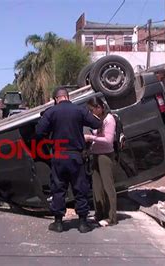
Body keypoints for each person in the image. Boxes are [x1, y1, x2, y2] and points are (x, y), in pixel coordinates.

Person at [36, 87, 102, 233]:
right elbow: (96, 123)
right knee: (80, 188)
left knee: (58, 188)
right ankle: (83, 223)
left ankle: (58, 223)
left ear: (55, 99)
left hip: (59, 156)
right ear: (68, 96)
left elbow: (39, 131)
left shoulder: (51, 112)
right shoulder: (79, 110)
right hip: (75, 156)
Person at [84, 98, 118, 227]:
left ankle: (111, 217)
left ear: (99, 107)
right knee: (97, 187)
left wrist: (91, 137)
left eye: (92, 110)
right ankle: (99, 213)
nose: (91, 112)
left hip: (105, 155)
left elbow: (108, 140)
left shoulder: (109, 120)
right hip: (96, 154)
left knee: (108, 186)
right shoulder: (97, 120)